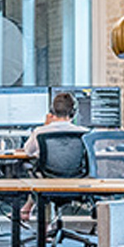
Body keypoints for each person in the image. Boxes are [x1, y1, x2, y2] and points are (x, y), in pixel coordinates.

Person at [19, 92, 89, 221]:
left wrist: (45, 126)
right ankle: (35, 214)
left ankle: (44, 227)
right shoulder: (85, 133)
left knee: (38, 176)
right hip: (76, 180)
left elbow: (27, 151)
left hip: (48, 180)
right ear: (74, 113)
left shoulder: (41, 132)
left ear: (52, 110)